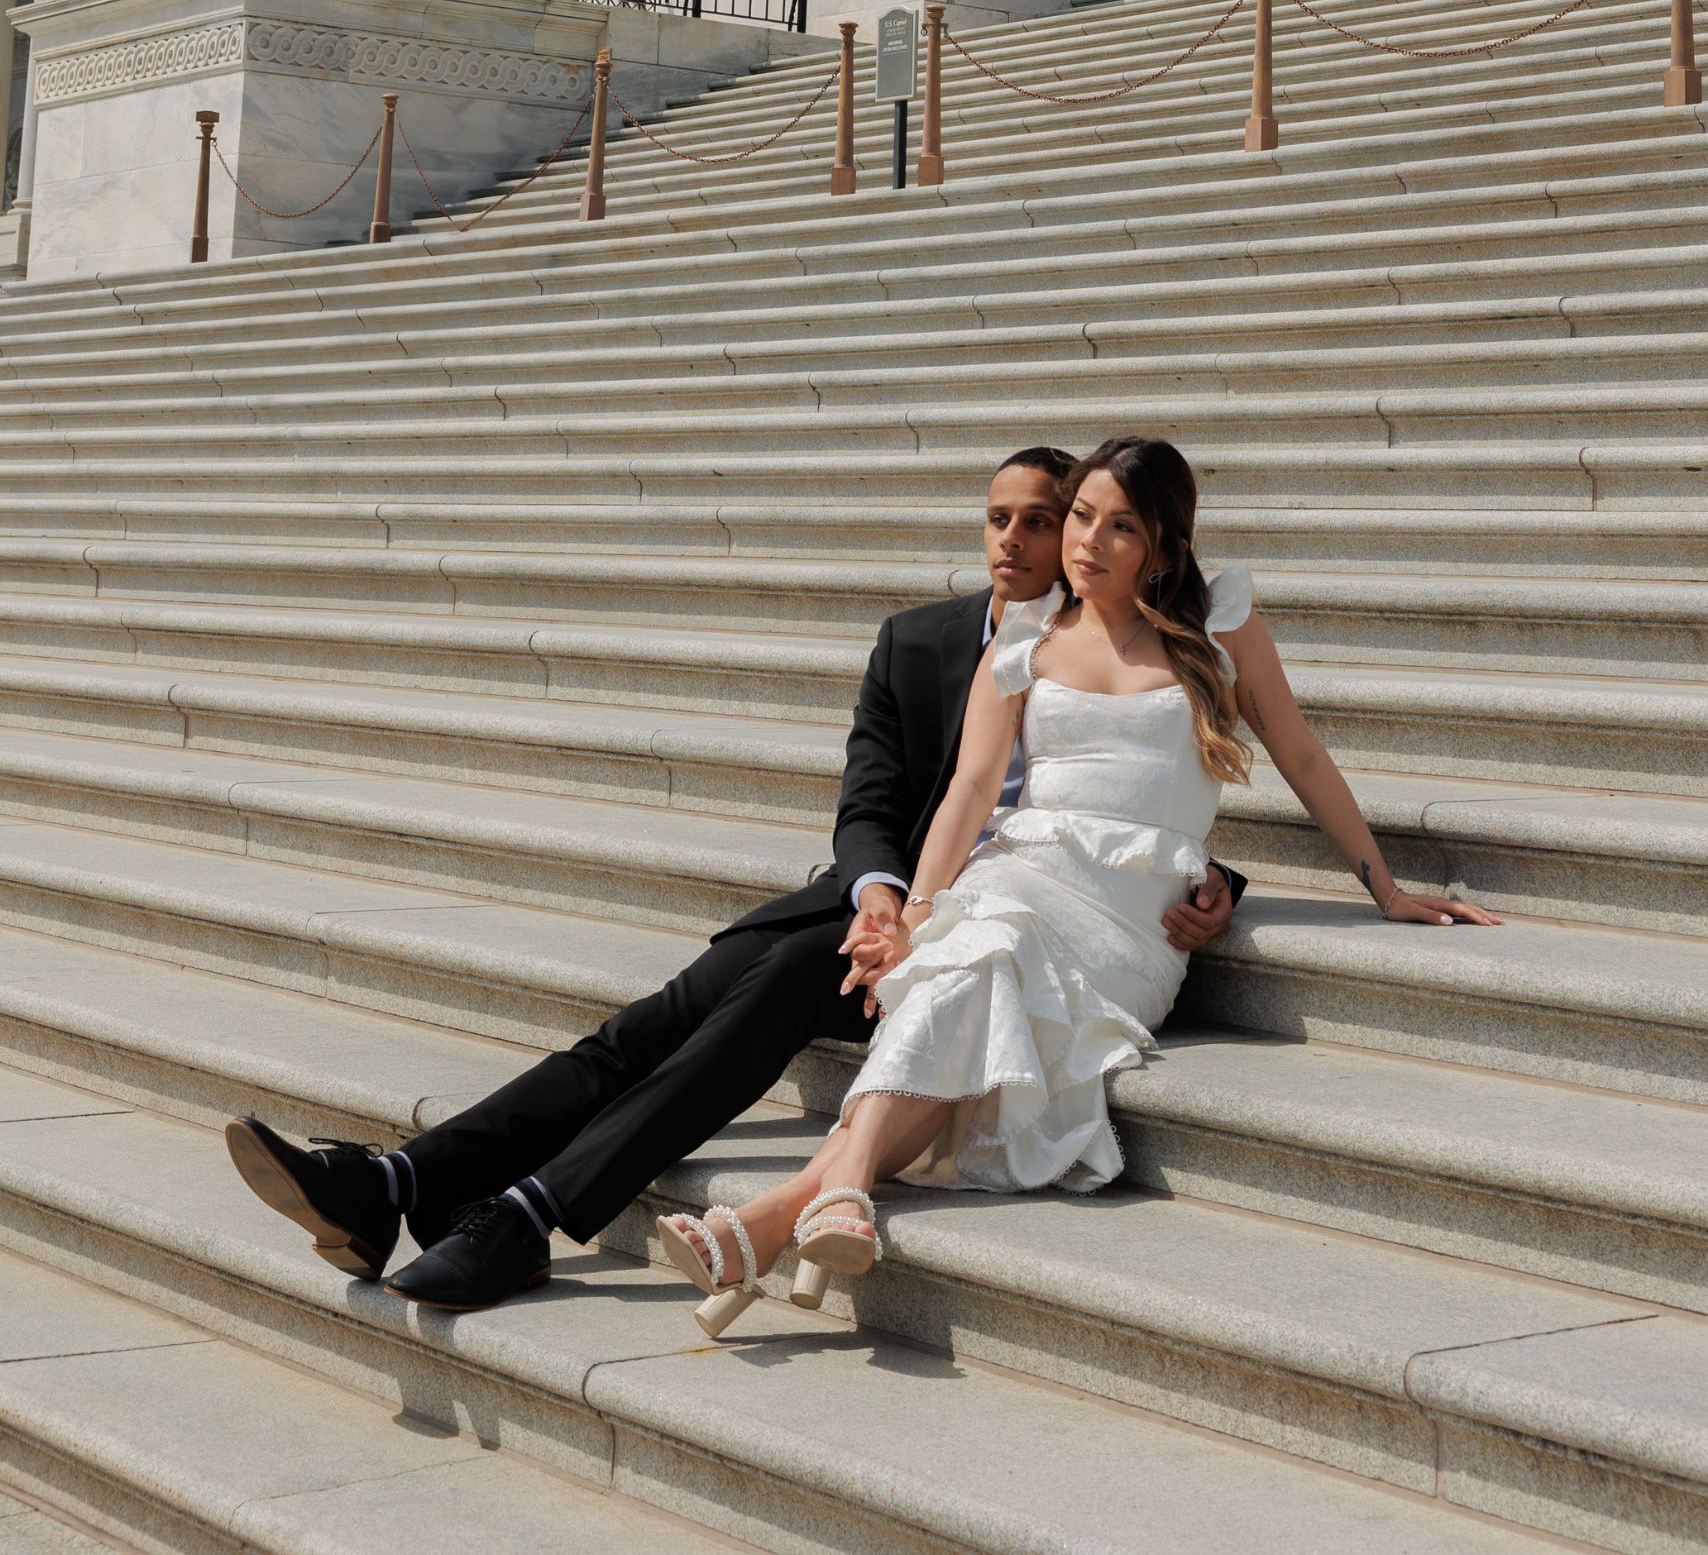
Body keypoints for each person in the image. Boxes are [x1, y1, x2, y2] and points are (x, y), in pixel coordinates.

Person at [222, 447, 1246, 1311]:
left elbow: (1136, 794)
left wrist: (1214, 880)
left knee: (767, 995)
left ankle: (525, 1213)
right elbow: (870, 801)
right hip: (875, 912)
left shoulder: (1119, 648)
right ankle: (394, 1182)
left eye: (1045, 518)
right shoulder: (920, 640)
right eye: (1001, 518)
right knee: (646, 1026)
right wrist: (879, 894)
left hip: (988, 949)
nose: (1020, 540)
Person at [654, 437, 1500, 1335]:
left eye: (1120, 526)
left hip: (1132, 917)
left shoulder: (1223, 626)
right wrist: (922, 912)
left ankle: (776, 1218)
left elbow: (1300, 753)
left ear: (1166, 547)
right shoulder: (1026, 636)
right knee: (977, 948)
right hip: (1019, 872)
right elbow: (973, 791)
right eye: (1083, 517)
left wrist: (1386, 890)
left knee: (981, 965)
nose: (1087, 542)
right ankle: (829, 1200)